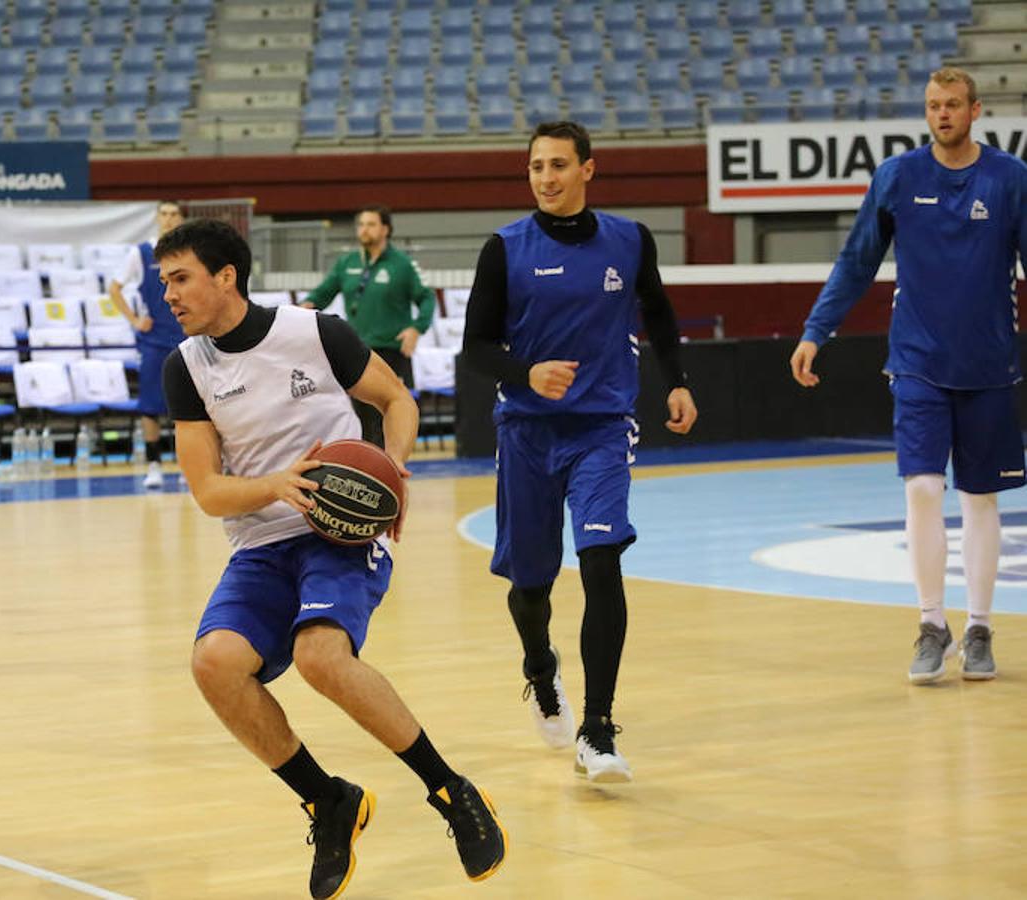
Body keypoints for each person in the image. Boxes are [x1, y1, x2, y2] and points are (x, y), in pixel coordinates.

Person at [160, 219, 506, 899]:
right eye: (165, 280)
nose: (168, 294)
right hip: (260, 544)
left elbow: (395, 400)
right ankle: (328, 801)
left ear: (225, 276)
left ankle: (452, 791)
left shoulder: (315, 331)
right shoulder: (185, 366)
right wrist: (275, 484)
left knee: (321, 657)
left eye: (180, 278)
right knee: (215, 664)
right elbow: (207, 491)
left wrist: (396, 469)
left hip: (339, 533)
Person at [462, 121, 698, 783]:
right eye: (536, 166)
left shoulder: (629, 240)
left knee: (601, 559)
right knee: (530, 585)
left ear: (588, 169)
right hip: (528, 433)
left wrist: (677, 381)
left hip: (601, 427)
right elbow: (475, 347)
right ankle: (540, 667)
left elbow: (658, 312)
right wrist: (524, 374)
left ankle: (598, 727)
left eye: (559, 165)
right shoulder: (504, 249)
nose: (546, 178)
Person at [790, 67, 1027, 684]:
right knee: (922, 488)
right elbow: (857, 260)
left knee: (980, 497)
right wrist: (817, 330)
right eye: (932, 105)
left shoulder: (1010, 178)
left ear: (976, 111)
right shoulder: (898, 177)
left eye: (952, 104)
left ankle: (978, 627)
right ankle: (931, 623)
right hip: (917, 362)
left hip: (989, 365)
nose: (941, 113)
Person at [302, 205, 436, 448]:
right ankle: (371, 477)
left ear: (385, 229)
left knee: (389, 418)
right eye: (361, 224)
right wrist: (303, 308)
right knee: (362, 421)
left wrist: (417, 328)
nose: (364, 230)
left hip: (390, 353)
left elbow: (427, 298)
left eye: (371, 224)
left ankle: (393, 474)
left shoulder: (402, 264)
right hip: (357, 354)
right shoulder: (347, 263)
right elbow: (322, 294)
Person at [108, 199, 187, 489]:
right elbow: (114, 288)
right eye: (164, 214)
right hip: (153, 341)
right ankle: (154, 465)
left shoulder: (190, 252)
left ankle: (186, 466)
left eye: (173, 214)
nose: (168, 219)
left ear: (181, 218)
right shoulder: (141, 253)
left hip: (186, 338)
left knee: (187, 409)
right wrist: (133, 319)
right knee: (150, 407)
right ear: (157, 218)